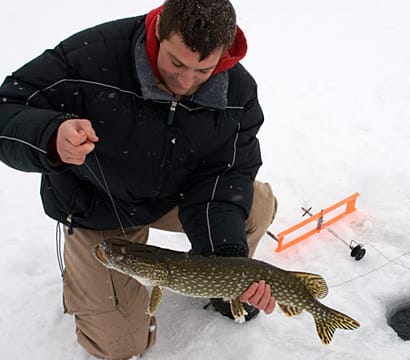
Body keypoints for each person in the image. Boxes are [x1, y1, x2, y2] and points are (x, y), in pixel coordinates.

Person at [0, 0, 277, 358]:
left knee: (256, 204)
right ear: (159, 28)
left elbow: (225, 177)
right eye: (176, 62)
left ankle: (224, 293)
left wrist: (225, 262)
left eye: (203, 70)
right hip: (100, 205)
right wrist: (49, 136)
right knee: (121, 345)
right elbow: (7, 107)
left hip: (178, 197)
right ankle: (86, 279)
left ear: (223, 54)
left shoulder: (237, 94)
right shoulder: (89, 57)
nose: (185, 81)